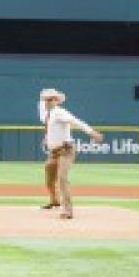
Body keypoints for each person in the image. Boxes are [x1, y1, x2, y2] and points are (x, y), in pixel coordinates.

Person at [38, 88, 101, 220]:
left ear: (56, 101)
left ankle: (68, 210)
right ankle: (54, 201)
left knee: (62, 178)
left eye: (50, 99)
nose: (47, 102)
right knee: (49, 178)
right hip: (54, 153)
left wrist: (91, 132)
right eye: (46, 100)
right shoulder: (47, 114)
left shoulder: (59, 112)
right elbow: (49, 126)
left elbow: (75, 121)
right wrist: (47, 139)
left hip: (65, 151)